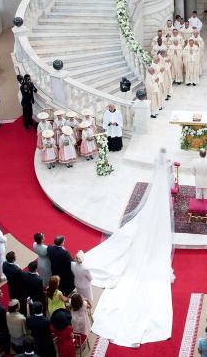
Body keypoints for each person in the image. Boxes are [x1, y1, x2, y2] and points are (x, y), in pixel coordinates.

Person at [81, 147, 175, 345]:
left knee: (153, 207)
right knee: (161, 211)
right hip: (162, 190)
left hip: (157, 190)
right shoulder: (167, 165)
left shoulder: (159, 164)